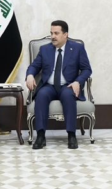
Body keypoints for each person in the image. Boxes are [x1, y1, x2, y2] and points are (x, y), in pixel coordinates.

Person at [26, 20, 93, 150]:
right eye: (51, 33)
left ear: (65, 34)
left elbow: (87, 69)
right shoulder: (45, 49)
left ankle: (71, 136)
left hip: (67, 85)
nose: (53, 36)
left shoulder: (77, 48)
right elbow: (34, 66)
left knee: (68, 96)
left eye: (56, 33)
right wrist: (29, 75)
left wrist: (78, 82)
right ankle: (40, 136)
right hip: (49, 86)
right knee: (41, 95)